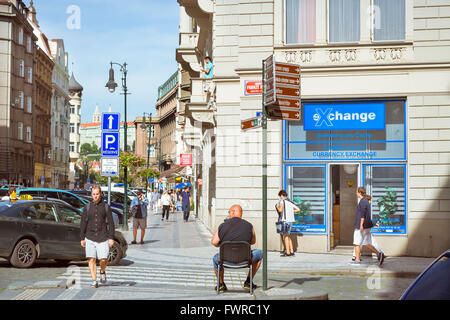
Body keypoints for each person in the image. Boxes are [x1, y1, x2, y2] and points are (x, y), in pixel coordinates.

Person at [211, 205, 263, 292]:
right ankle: (248, 282)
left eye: (229, 212)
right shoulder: (249, 225)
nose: (229, 214)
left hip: (225, 260)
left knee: (215, 259)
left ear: (233, 212)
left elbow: (214, 242)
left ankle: (221, 284)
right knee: (260, 253)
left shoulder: (222, 226)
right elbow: (253, 241)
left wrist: (222, 245)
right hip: (245, 260)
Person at [80, 185, 115, 288]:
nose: (95, 196)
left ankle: (102, 271)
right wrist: (82, 238)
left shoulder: (106, 207)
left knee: (103, 259)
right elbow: (83, 223)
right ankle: (94, 280)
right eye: (93, 194)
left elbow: (111, 223)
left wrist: (111, 237)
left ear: (100, 194)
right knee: (91, 259)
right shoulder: (87, 207)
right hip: (90, 236)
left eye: (97, 194)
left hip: (103, 236)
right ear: (91, 194)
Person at [350, 187, 386, 266]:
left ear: (359, 192)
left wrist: (361, 225)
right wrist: (373, 223)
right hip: (366, 226)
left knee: (356, 243)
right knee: (366, 243)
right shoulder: (366, 201)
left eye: (357, 192)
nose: (356, 193)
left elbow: (362, 214)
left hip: (361, 227)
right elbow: (367, 216)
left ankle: (357, 260)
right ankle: (379, 254)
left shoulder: (362, 201)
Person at [275, 190, 300, 257]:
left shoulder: (283, 201)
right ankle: (292, 251)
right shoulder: (290, 202)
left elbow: (280, 210)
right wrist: (291, 211)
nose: (279, 197)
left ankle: (288, 252)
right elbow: (298, 209)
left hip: (285, 221)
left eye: (280, 196)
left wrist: (277, 206)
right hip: (290, 221)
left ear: (281, 195)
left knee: (285, 237)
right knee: (288, 236)